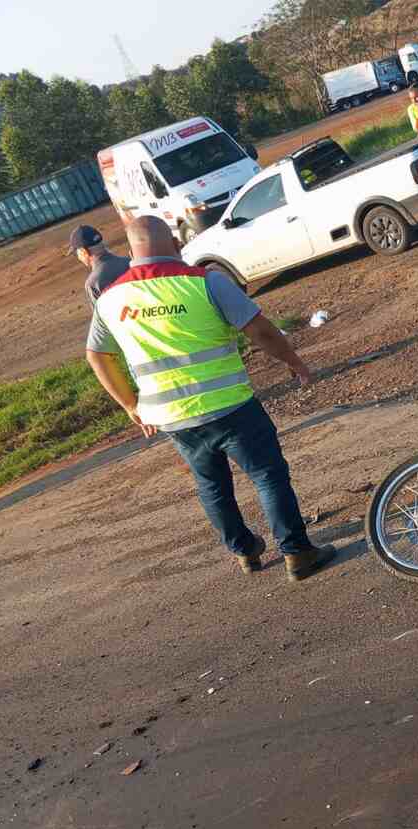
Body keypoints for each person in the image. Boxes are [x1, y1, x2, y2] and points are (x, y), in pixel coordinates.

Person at [85, 215, 336, 582]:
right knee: (267, 476)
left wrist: (130, 406)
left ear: (131, 251)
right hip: (231, 406)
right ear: (172, 241)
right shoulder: (204, 282)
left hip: (175, 417)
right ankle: (297, 552)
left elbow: (97, 354)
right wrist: (293, 360)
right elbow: (260, 331)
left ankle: (245, 552)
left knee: (212, 486)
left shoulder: (111, 298)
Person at [69, 224, 130, 308]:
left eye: (77, 254)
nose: (79, 258)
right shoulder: (130, 262)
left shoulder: (93, 283)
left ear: (84, 252)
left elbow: (101, 318)